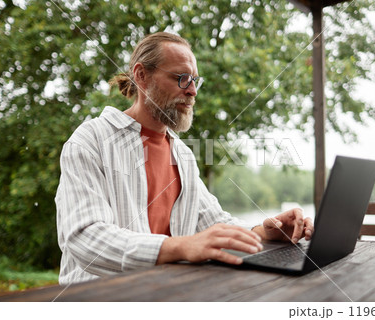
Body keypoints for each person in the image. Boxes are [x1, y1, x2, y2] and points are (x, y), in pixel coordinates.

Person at [55, 32, 314, 285]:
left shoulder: (183, 154)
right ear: (141, 76)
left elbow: (214, 224)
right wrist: (181, 246)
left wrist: (265, 231)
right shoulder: (90, 141)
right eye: (181, 78)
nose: (192, 91)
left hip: (165, 296)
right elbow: (84, 238)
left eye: (194, 80)